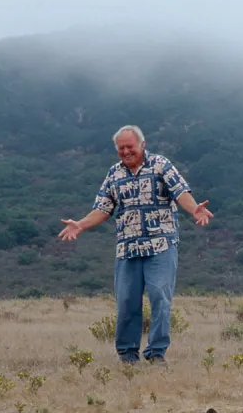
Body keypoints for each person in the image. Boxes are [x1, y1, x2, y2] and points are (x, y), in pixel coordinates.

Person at [59, 125, 213, 363]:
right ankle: (128, 354)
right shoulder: (114, 174)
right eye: (121, 148)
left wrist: (195, 209)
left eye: (130, 146)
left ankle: (156, 353)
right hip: (127, 248)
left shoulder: (161, 164)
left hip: (161, 245)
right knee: (127, 301)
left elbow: (180, 192)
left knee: (160, 297)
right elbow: (103, 208)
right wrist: (80, 225)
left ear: (142, 144)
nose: (126, 151)